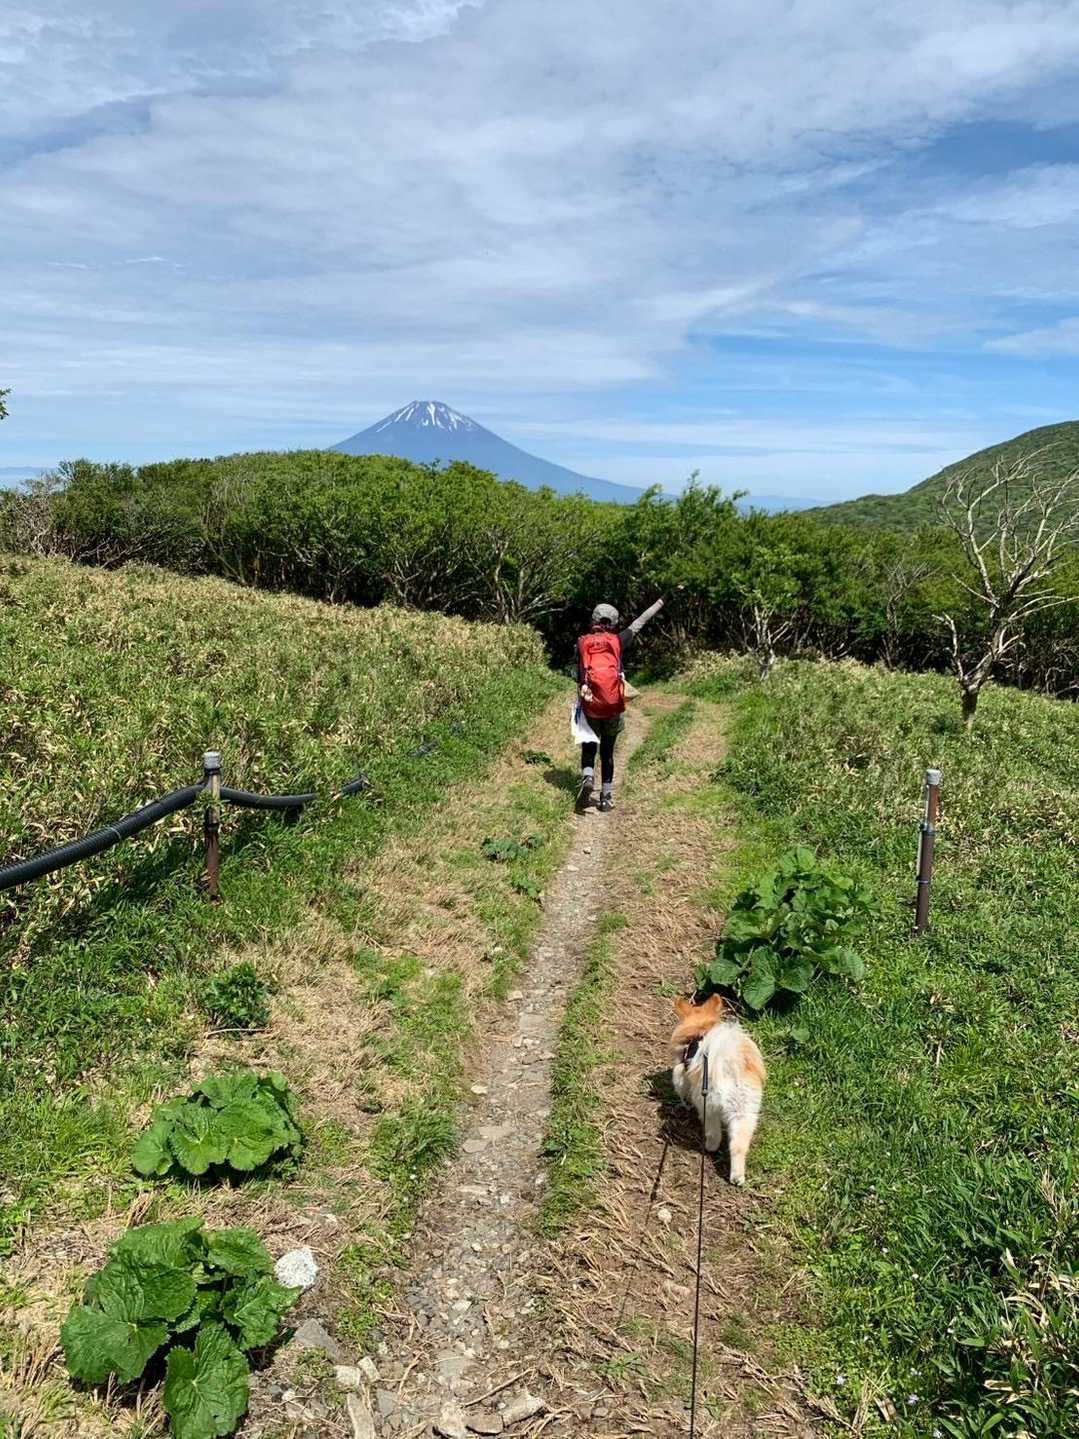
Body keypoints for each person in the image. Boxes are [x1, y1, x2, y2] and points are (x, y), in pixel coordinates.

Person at [575, 598, 664, 813]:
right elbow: (640, 621)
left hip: (589, 706)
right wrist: (664, 599)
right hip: (612, 706)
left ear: (593, 620)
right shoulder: (618, 640)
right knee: (607, 752)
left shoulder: (582, 642)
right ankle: (606, 797)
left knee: (589, 747)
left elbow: (578, 675)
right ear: (613, 622)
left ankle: (588, 777)